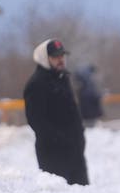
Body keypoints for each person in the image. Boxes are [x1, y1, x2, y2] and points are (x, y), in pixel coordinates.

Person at [24, 38, 88, 185]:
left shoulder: (62, 77)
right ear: (45, 58)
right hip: (53, 155)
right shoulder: (36, 84)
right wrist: (60, 140)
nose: (60, 59)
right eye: (55, 56)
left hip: (74, 153)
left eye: (62, 55)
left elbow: (73, 112)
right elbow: (36, 121)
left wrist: (79, 137)